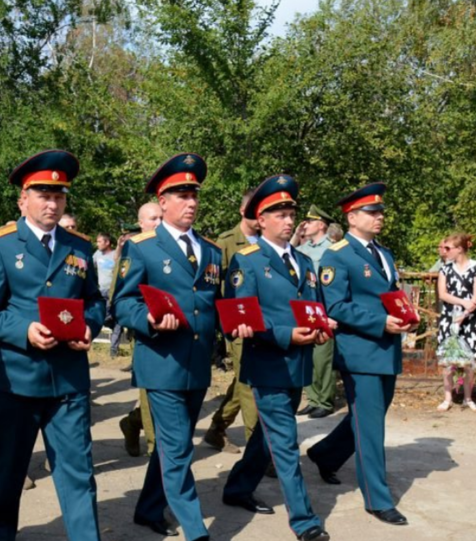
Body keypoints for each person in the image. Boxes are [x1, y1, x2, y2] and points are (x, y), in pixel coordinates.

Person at [0, 150, 106, 541]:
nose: (52, 203)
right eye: (43, 195)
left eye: (59, 196)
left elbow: (94, 300)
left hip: (68, 378)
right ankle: (2, 535)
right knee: (10, 469)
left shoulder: (78, 246)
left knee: (78, 470)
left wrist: (89, 326)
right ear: (23, 200)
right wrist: (24, 330)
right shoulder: (0, 244)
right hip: (19, 378)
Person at [112, 153, 222, 541]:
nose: (190, 202)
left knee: (171, 448)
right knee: (177, 449)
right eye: (181, 195)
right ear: (163, 201)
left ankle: (147, 509)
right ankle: (195, 529)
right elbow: (123, 304)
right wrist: (150, 320)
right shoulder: (142, 247)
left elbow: (214, 303)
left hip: (196, 364)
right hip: (161, 362)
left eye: (194, 194)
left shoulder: (211, 251)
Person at [221, 175, 332, 541]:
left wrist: (320, 325)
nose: (288, 221)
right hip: (268, 364)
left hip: (298, 365)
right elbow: (243, 317)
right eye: (279, 214)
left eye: (291, 214)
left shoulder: (303, 262)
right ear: (261, 219)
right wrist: (286, 333)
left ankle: (237, 486)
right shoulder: (247, 260)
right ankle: (304, 521)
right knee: (285, 443)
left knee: (267, 439)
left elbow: (313, 308)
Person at [307, 182, 414, 528]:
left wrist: (404, 317)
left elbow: (390, 294)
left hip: (386, 349)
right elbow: (335, 306)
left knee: (364, 419)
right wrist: (382, 322)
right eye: (372, 212)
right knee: (371, 428)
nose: (380, 217)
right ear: (352, 217)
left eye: (381, 211)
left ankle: (325, 454)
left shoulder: (384, 253)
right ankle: (377, 499)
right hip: (361, 351)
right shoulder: (337, 255)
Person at [203, 187, 260, 453]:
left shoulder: (265, 242)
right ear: (242, 211)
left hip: (265, 323)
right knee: (249, 383)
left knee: (245, 379)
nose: (261, 216)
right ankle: (257, 448)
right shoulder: (225, 243)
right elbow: (213, 288)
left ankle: (217, 427)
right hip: (237, 324)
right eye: (255, 211)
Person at [117, 202, 163, 458]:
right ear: (141, 223)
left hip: (173, 330)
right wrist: (140, 320)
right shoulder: (134, 249)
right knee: (149, 391)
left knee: (156, 393)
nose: (157, 222)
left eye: (161, 217)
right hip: (144, 330)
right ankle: (155, 449)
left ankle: (132, 422)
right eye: (152, 218)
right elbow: (120, 296)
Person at [294, 205, 339, 419]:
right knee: (308, 356)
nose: (306, 225)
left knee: (323, 358)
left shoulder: (331, 249)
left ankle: (325, 400)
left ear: (321, 225)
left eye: (310, 222)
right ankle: (312, 399)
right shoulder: (303, 249)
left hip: (323, 308)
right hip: (306, 308)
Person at [435, 232, 476, 412]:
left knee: (468, 360)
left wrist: (465, 312)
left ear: (459, 249)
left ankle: (467, 398)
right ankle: (447, 397)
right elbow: (442, 294)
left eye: (448, 248)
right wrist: (461, 302)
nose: (444, 251)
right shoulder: (445, 269)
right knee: (448, 359)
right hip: (449, 317)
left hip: (469, 319)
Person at [92, 232, 119, 357]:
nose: (97, 244)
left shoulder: (115, 255)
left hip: (114, 291)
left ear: (107, 242)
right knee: (105, 317)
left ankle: (114, 350)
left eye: (99, 241)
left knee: (117, 320)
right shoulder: (97, 254)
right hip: (101, 291)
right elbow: (90, 268)